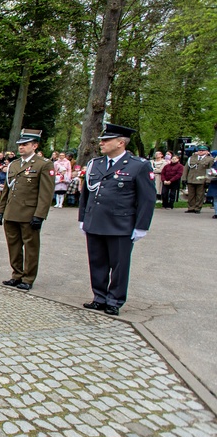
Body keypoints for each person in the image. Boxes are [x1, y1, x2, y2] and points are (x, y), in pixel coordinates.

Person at [79, 123, 155, 316]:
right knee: (97, 262)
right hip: (95, 221)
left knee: (119, 265)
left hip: (121, 224)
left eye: (106, 140)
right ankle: (99, 297)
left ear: (121, 142)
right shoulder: (95, 164)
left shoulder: (139, 165)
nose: (101, 143)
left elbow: (147, 199)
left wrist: (141, 226)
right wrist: (83, 218)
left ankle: (115, 300)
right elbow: (85, 194)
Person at [0, 129, 54, 291]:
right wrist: (1, 210)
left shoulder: (43, 164)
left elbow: (45, 193)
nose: (21, 147)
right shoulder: (14, 165)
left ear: (35, 146)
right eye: (20, 144)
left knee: (31, 247)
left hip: (29, 213)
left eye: (25, 144)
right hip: (11, 212)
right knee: (13, 245)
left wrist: (40, 215)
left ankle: (28, 277)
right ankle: (16, 274)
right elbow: (7, 190)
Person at [183, 145, 213, 213]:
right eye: (199, 150)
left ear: (206, 152)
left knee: (200, 195)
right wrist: (184, 178)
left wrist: (208, 180)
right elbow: (186, 169)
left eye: (203, 150)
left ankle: (197, 208)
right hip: (191, 178)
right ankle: (191, 207)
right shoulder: (192, 158)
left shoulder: (210, 159)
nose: (201, 152)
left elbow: (210, 170)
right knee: (191, 195)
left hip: (202, 179)